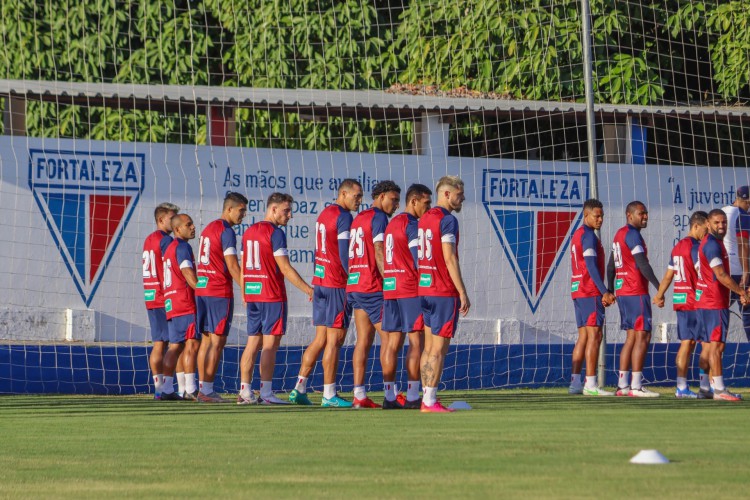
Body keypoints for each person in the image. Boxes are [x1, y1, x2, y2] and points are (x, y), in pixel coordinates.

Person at [289, 179, 363, 407]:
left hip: (321, 283)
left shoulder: (324, 214)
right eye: (356, 196)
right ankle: (329, 394)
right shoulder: (343, 217)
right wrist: (353, 279)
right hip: (336, 285)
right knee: (335, 341)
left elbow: (319, 250)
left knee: (320, 339)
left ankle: (299, 388)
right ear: (343, 193)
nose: (360, 201)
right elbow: (343, 255)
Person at [237, 193, 314, 405]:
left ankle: (245, 391)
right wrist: (308, 289)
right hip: (271, 295)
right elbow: (285, 267)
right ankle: (267, 393)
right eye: (286, 211)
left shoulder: (249, 231)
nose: (290, 216)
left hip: (252, 294)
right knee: (270, 344)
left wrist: (244, 292)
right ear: (273, 209)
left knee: (253, 342)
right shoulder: (275, 233)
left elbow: (243, 267)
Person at [347, 180, 401, 409]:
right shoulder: (379, 217)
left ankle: (359, 395)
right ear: (380, 197)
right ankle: (391, 395)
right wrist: (389, 282)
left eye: (398, 200)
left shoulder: (359, 217)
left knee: (364, 341)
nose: (396, 205)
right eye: (393, 199)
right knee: (390, 339)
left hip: (355, 284)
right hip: (372, 287)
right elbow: (379, 251)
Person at [418, 176, 470, 413]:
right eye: (460, 195)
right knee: (439, 349)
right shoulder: (447, 220)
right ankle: (430, 401)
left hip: (425, 290)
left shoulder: (424, 219)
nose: (463, 199)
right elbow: (449, 257)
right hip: (442, 291)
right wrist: (462, 291)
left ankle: (425, 398)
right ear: (447, 194)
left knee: (428, 348)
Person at [381, 183, 433, 409]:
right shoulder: (413, 225)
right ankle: (412, 397)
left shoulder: (392, 223)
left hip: (390, 287)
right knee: (416, 343)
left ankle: (389, 397)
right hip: (410, 289)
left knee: (391, 344)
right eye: (426, 203)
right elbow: (418, 259)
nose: (429, 208)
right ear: (414, 201)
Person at [195, 192, 248, 403]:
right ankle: (206, 390)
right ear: (229, 209)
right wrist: (247, 290)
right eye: (241, 210)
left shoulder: (209, 228)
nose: (243, 215)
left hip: (203, 290)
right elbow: (233, 266)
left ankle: (202, 388)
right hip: (218, 292)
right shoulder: (226, 231)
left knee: (206, 341)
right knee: (217, 342)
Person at [607, 201, 661, 397]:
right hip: (635, 291)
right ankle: (636, 386)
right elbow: (642, 264)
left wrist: (611, 290)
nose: (645, 216)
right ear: (630, 215)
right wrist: (659, 288)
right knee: (642, 336)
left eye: (646, 213)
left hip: (623, 293)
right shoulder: (633, 235)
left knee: (631, 337)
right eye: (641, 213)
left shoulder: (619, 235)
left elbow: (611, 267)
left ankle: (623, 386)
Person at [652, 211, 709, 398]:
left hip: (680, 299)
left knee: (688, 343)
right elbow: (702, 273)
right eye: (705, 229)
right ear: (696, 226)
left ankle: (682, 386)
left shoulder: (677, 247)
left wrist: (660, 295)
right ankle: (704, 385)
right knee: (704, 343)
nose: (706, 234)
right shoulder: (695, 247)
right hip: (694, 300)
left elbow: (669, 275)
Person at [696, 209, 749, 401]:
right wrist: (741, 291)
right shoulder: (711, 245)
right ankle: (719, 389)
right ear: (708, 224)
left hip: (706, 302)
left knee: (709, 347)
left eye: (724, 222)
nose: (721, 226)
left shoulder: (713, 243)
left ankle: (704, 388)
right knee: (717, 347)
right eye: (717, 223)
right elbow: (721, 275)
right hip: (714, 303)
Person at [568, 199, 616, 396]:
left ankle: (575, 383)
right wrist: (604, 290)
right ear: (585, 215)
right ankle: (590, 384)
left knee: (583, 337)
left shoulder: (578, 234)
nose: (600, 219)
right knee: (595, 336)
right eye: (596, 216)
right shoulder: (588, 237)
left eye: (602, 215)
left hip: (578, 290)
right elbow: (591, 265)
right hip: (589, 291)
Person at [142, 202, 180, 399]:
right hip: (164, 297)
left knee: (159, 343)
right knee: (175, 344)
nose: (175, 222)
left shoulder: (149, 239)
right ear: (160, 220)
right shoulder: (166, 241)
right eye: (171, 218)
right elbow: (171, 268)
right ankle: (168, 387)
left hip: (150, 296)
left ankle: (158, 387)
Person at [160, 214, 200, 401]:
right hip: (185, 303)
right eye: (188, 224)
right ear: (177, 230)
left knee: (175, 347)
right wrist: (202, 290)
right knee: (191, 344)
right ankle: (191, 389)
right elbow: (187, 273)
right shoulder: (183, 247)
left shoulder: (169, 248)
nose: (193, 227)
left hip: (171, 303)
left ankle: (167, 389)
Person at [721, 186, 750, 340]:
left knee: (719, 309)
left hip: (722, 271)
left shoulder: (721, 211)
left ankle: (713, 347)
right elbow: (743, 244)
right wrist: (746, 272)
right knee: (747, 311)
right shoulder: (743, 215)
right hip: (739, 271)